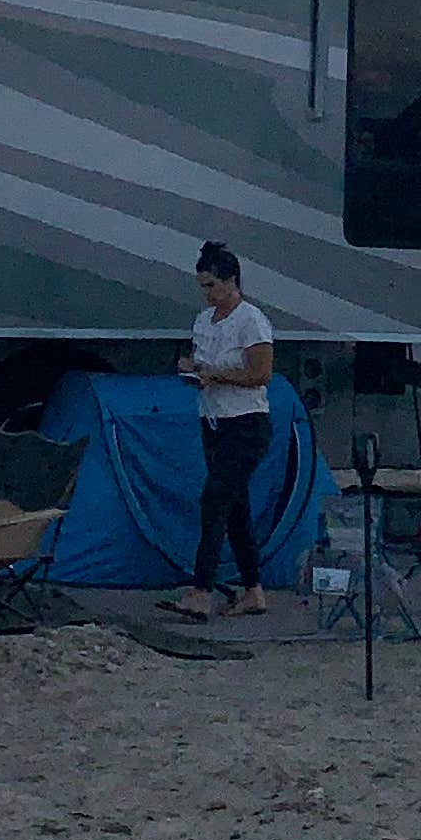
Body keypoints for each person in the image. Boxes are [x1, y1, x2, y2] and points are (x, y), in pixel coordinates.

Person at [173, 239, 276, 619]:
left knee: (215, 499)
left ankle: (201, 589)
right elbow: (200, 360)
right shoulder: (203, 320)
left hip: (245, 422)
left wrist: (216, 375)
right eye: (203, 287)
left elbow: (260, 373)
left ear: (231, 281)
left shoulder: (251, 320)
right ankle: (253, 589)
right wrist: (192, 369)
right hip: (214, 420)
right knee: (234, 506)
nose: (207, 293)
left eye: (212, 286)